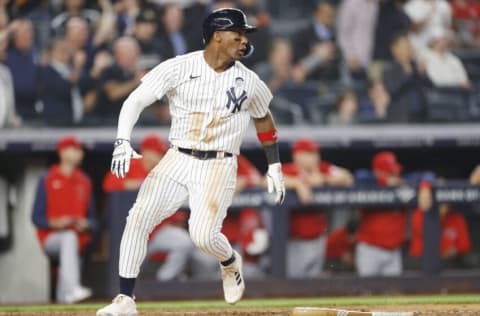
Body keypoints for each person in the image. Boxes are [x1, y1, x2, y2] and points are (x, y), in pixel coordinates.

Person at [96, 8, 285, 316]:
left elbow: (263, 119)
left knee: (203, 236)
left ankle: (228, 261)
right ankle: (125, 300)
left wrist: (274, 165)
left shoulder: (249, 81)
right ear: (217, 36)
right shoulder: (179, 67)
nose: (243, 41)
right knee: (138, 217)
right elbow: (136, 100)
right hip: (178, 157)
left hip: (219, 164)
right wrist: (122, 141)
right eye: (237, 35)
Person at [103, 134, 193, 282]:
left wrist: (173, 219)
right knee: (129, 274)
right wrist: (138, 184)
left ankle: (165, 279)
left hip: (156, 231)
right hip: (131, 233)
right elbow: (108, 185)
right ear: (147, 152)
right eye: (158, 153)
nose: (161, 157)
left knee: (184, 242)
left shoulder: (162, 173)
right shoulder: (128, 165)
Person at [31, 136, 96, 303]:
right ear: (62, 152)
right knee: (68, 237)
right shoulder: (47, 178)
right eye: (74, 149)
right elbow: (36, 218)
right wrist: (57, 223)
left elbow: (93, 219)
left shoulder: (85, 181)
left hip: (79, 239)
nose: (79, 153)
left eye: (79, 150)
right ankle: (73, 288)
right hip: (51, 237)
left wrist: (85, 224)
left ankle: (67, 296)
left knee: (65, 299)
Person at [282, 138, 353, 278]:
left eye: (315, 153)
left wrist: (325, 179)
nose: (315, 157)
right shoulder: (289, 170)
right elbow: (266, 180)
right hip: (295, 240)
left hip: (318, 238)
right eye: (309, 154)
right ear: (298, 155)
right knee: (294, 282)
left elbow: (348, 177)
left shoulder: (322, 169)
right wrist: (298, 183)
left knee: (313, 281)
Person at [355, 151, 407, 277]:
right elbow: (360, 176)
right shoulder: (367, 182)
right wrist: (385, 182)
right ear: (378, 171)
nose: (394, 175)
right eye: (390, 172)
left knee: (393, 293)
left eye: (394, 172)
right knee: (366, 292)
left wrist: (425, 185)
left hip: (394, 251)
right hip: (370, 250)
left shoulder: (401, 185)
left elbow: (426, 176)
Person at [93, 36, 143, 124]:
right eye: (121, 53)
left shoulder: (139, 72)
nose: (126, 56)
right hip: (108, 122)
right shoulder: (108, 71)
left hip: (136, 122)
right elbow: (113, 93)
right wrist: (136, 81)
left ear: (137, 53)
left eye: (129, 52)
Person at [38, 39, 85, 126]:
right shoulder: (46, 70)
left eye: (67, 50)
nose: (65, 53)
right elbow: (63, 88)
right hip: (55, 123)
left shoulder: (69, 69)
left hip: (73, 121)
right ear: (51, 52)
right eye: (61, 50)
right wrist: (78, 67)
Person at [290, 0, 339, 82]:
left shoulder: (336, 36)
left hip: (331, 81)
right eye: (325, 13)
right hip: (308, 81)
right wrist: (316, 55)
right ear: (316, 14)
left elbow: (338, 61)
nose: (329, 16)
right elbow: (296, 62)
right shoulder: (303, 35)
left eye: (331, 13)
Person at [336, 0, 378, 79]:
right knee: (348, 89)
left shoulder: (375, 6)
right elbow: (342, 33)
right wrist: (350, 56)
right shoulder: (351, 3)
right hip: (350, 60)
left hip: (367, 61)